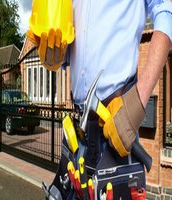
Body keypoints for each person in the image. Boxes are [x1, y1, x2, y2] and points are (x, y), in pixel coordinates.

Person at [27, 0, 172, 199]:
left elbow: (167, 11)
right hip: (76, 137)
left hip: (116, 128)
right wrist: (56, 57)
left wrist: (138, 101)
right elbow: (77, 51)